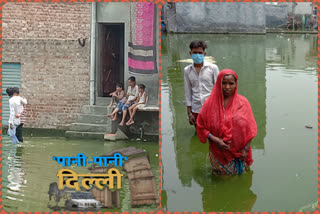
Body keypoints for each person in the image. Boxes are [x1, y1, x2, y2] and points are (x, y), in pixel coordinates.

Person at [196, 69, 257, 175]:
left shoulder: (243, 103)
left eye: (231, 83)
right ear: (218, 84)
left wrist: (246, 149)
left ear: (236, 84)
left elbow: (250, 129)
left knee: (240, 182)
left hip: (240, 152)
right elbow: (200, 126)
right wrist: (216, 140)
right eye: (224, 83)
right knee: (222, 179)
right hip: (218, 151)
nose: (227, 87)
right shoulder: (209, 104)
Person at [184, 40, 219, 128]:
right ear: (190, 53)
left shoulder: (213, 68)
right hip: (196, 108)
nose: (197, 55)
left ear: (204, 54)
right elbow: (188, 92)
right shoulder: (187, 70)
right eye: (195, 52)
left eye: (200, 53)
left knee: (212, 132)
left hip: (211, 107)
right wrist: (189, 113)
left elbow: (218, 89)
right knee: (199, 131)